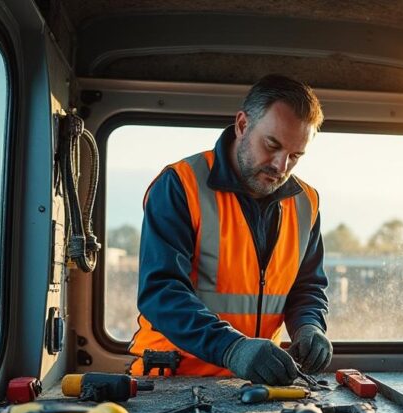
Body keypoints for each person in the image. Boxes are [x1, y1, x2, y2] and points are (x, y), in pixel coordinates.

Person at [128, 74, 332, 385]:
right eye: (272, 145)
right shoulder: (181, 185)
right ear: (241, 125)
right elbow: (161, 292)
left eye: (295, 156)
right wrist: (232, 348)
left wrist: (308, 326)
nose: (281, 166)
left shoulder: (307, 202)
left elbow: (307, 288)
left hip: (258, 381)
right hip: (172, 380)